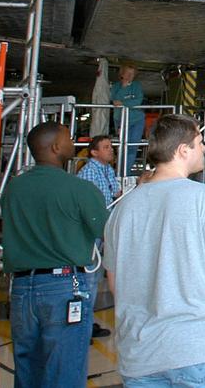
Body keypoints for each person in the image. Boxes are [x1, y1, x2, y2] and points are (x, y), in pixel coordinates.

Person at [105, 114, 205, 385]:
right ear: (183, 150)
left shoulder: (122, 208)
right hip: (202, 352)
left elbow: (116, 283)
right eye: (201, 142)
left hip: (140, 357)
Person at [1, 122, 109, 388]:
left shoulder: (14, 189)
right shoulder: (79, 189)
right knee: (65, 371)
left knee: (28, 371)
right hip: (64, 287)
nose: (74, 143)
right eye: (69, 138)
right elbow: (107, 231)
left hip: (22, 289)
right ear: (56, 147)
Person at [77, 134, 120, 340]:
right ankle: (83, 323)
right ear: (94, 152)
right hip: (92, 231)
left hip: (105, 229)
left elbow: (116, 193)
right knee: (89, 277)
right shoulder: (88, 173)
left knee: (95, 277)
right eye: (106, 147)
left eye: (110, 146)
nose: (110, 150)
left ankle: (87, 321)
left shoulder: (108, 170)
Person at [110, 62, 146, 172]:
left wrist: (123, 103)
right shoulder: (116, 87)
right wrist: (124, 88)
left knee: (132, 147)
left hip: (137, 120)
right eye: (128, 73)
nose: (130, 76)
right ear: (122, 74)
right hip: (121, 120)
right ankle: (121, 170)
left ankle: (125, 172)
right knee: (121, 147)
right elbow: (115, 100)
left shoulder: (137, 86)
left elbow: (138, 100)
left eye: (132, 74)